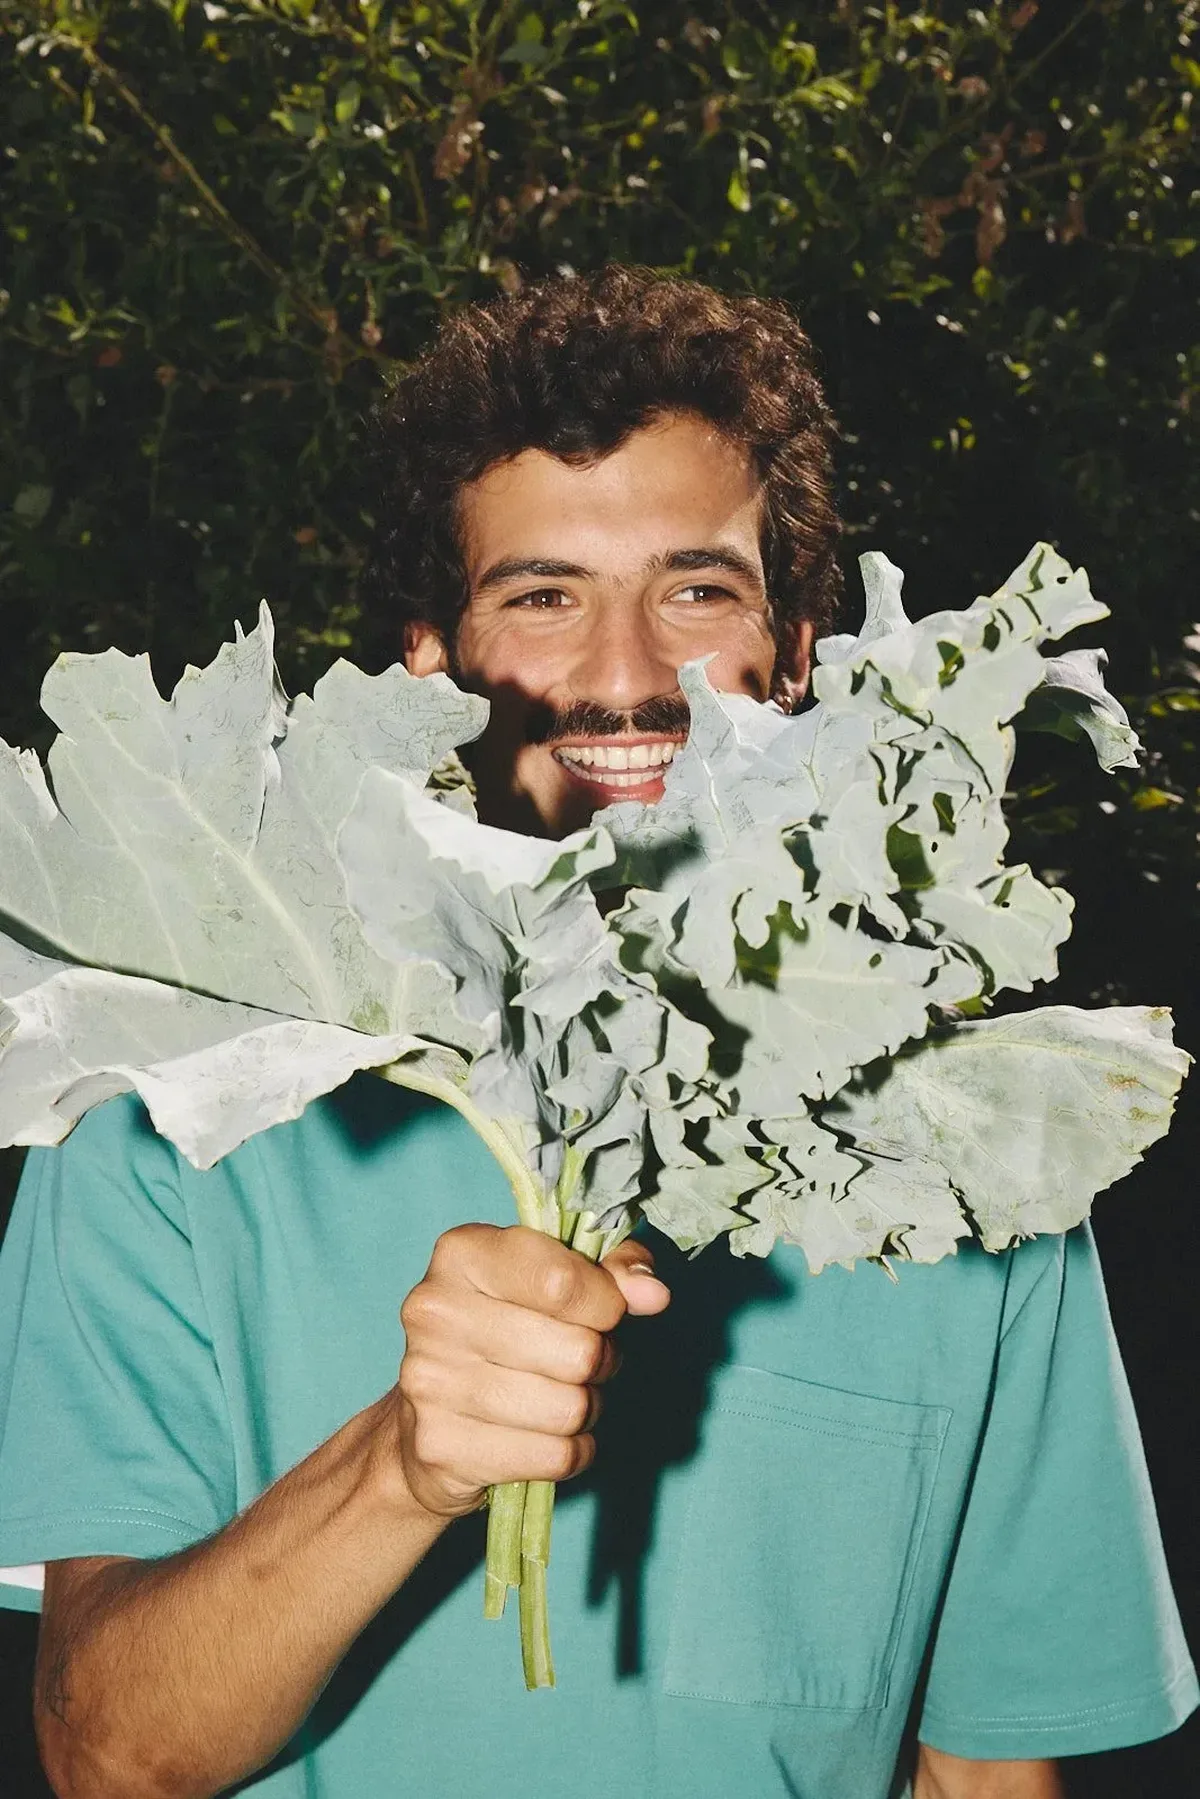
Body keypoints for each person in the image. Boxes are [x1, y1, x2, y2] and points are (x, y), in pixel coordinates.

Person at [0, 268, 1194, 1799]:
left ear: (800, 646)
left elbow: (982, 1772)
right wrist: (403, 1465)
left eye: (697, 589)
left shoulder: (968, 1138)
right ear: (431, 657)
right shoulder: (166, 1084)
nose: (629, 676)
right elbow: (106, 1750)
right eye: (544, 595)